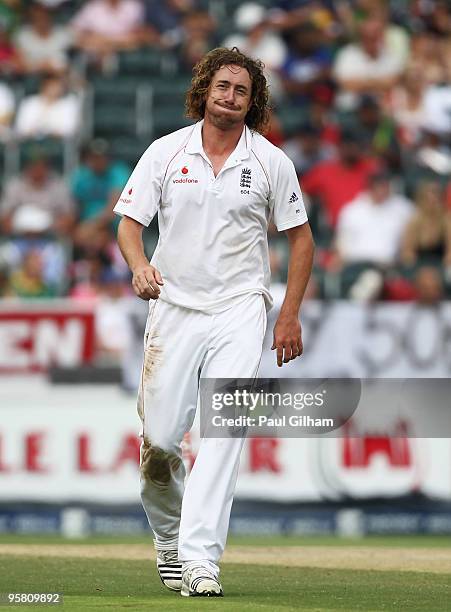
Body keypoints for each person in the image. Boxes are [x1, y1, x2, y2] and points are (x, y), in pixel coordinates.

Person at [114, 47, 314, 597]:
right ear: (204, 89)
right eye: (222, 86)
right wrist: (140, 266)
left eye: (241, 91)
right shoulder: (165, 151)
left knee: (224, 433)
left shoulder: (271, 161)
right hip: (175, 306)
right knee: (158, 445)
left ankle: (202, 561)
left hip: (241, 309)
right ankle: (171, 537)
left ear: (254, 102)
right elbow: (130, 226)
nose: (230, 97)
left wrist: (288, 313)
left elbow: (301, 240)